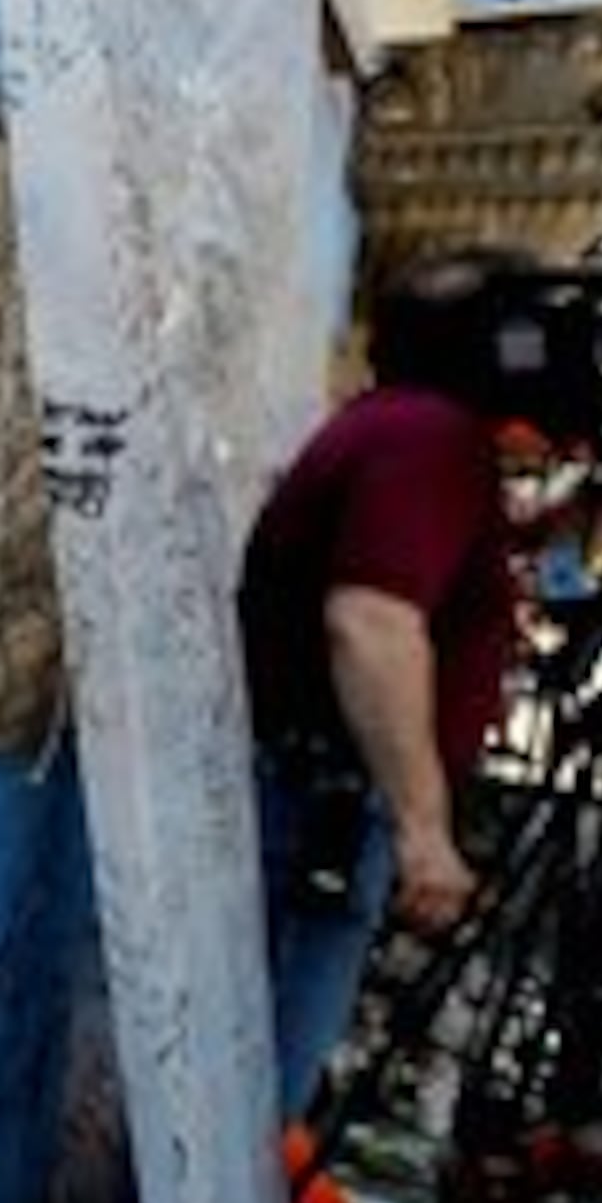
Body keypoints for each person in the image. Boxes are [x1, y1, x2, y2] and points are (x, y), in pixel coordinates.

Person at [236, 253, 524, 1120]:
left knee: (248, 1090)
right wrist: (424, 829)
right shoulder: (429, 438)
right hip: (322, 808)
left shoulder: (392, 424)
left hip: (311, 797)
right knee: (254, 1103)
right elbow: (371, 621)